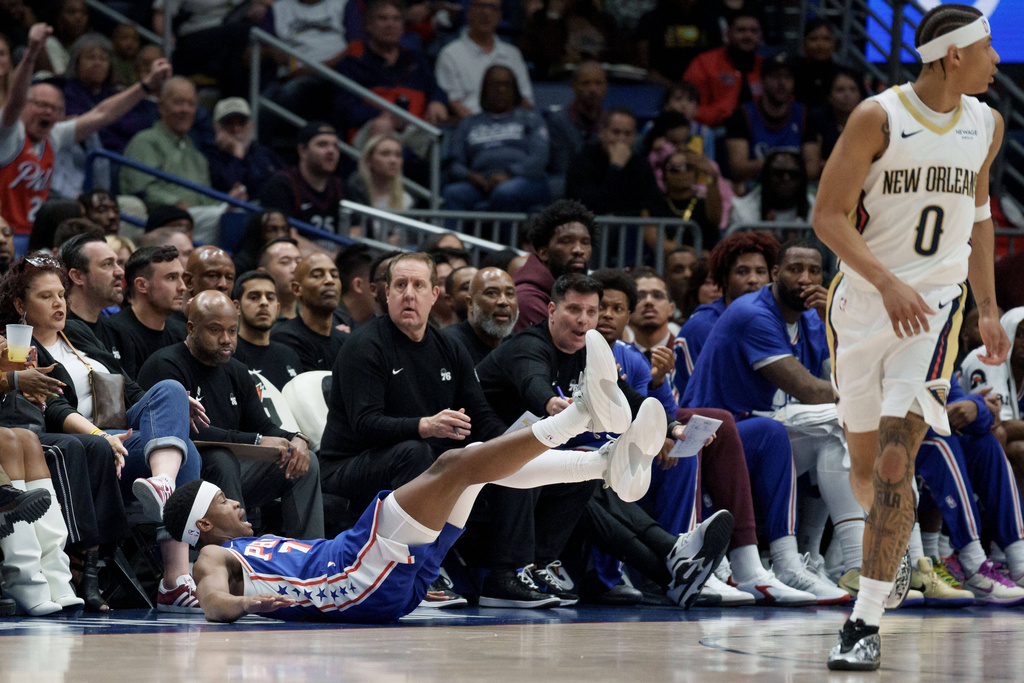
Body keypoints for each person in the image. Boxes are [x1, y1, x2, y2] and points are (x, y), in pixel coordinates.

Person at [163, 332, 730, 623]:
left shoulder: (244, 544)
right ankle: (581, 418)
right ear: (203, 524)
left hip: (375, 581)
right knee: (455, 464)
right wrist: (262, 603)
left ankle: (602, 464)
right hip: (357, 577)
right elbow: (214, 601)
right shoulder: (214, 556)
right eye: (224, 503)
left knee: (476, 469)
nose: (238, 507)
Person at [811, 4, 1006, 670]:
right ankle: (888, 550)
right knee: (866, 468)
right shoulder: (878, 116)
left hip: (933, 313)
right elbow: (827, 216)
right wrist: (886, 282)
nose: (997, 60)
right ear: (955, 55)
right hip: (864, 308)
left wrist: (985, 308)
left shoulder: (988, 123)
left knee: (896, 462)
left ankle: (862, 621)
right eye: (987, 48)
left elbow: (979, 219)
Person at [0, 254, 208, 613]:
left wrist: (169, 407)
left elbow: (129, 388)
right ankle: (174, 576)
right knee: (186, 448)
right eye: (45, 296)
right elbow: (53, 406)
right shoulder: (17, 346)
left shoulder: (78, 333)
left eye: (61, 295)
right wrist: (101, 434)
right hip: (89, 433)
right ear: (20, 304)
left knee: (171, 390)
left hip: (122, 430)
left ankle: (162, 482)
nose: (58, 303)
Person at [138, 290, 323, 542]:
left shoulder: (236, 371)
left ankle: (308, 554)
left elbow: (262, 425)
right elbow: (188, 432)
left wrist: (296, 438)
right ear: (191, 328)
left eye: (232, 331)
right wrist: (255, 441)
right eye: (215, 330)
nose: (226, 339)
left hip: (233, 471)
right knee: (220, 458)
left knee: (304, 460)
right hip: (184, 473)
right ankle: (235, 557)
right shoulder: (166, 365)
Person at [0, 23, 171, 237]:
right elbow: (15, 100)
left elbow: (102, 114)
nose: (48, 112)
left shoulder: (53, 135)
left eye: (55, 109)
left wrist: (145, 86)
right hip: (6, 238)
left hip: (36, 237)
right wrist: (32, 53)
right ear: (25, 106)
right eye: (41, 105)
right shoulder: (8, 133)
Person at [121, 77, 245, 244]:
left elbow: (204, 199)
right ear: (161, 106)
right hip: (162, 221)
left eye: (191, 104)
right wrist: (175, 204)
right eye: (178, 102)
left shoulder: (196, 154)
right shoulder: (145, 141)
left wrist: (229, 200)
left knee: (240, 214)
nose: (185, 109)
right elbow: (140, 188)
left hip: (197, 221)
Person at [673, 231, 776, 397]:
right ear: (725, 279)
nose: (753, 279)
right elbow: (704, 399)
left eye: (760, 271)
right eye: (742, 272)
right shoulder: (701, 327)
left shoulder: (777, 322)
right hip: (704, 418)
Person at [441, 65, 550, 213]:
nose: (501, 90)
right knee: (452, 193)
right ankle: (450, 237)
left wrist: (509, 174)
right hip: (481, 183)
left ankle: (503, 237)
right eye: (494, 85)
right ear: (484, 90)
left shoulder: (531, 118)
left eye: (506, 85)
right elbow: (454, 162)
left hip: (525, 180)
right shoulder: (468, 123)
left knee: (505, 192)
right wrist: (470, 176)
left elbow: (539, 158)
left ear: (515, 90)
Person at [724, 57, 821, 183]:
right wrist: (782, 166)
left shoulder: (804, 114)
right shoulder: (742, 115)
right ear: (762, 80)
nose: (782, 83)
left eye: (787, 77)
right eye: (775, 77)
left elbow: (813, 168)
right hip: (756, 187)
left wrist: (771, 167)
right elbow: (738, 168)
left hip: (795, 188)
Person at [435, 0, 533, 120]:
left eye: (493, 7)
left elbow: (525, 99)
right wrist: (478, 128)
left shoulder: (512, 54)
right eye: (481, 6)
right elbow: (454, 103)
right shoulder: (450, 53)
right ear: (469, 11)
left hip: (512, 127)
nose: (486, 12)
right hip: (470, 127)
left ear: (500, 15)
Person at [100, 245, 188, 380]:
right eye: (171, 278)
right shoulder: (112, 333)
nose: (182, 287)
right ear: (141, 285)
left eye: (182, 277)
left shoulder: (182, 332)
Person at [565, 108, 663, 218]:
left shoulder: (641, 164)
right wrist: (616, 168)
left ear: (635, 136)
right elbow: (588, 205)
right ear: (602, 133)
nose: (621, 139)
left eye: (627, 133)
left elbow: (653, 204)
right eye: (616, 132)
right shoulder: (583, 161)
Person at [513, 199, 594, 330]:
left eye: (585, 242)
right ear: (544, 253)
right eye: (567, 241)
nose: (578, 250)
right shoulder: (527, 300)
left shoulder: (583, 292)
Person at [259, 122, 345, 237]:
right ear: (302, 150)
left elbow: (356, 231)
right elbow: (284, 236)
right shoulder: (282, 185)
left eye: (336, 146)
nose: (331, 151)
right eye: (322, 144)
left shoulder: (341, 187)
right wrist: (330, 255)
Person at [681, 12, 763, 128]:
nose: (748, 36)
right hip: (714, 132)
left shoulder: (767, 67)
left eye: (753, 31)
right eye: (741, 30)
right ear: (727, 33)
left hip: (761, 134)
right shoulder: (704, 63)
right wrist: (726, 114)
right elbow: (691, 109)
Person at [270, 253, 348, 372]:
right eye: (317, 275)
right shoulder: (285, 339)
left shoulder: (348, 342)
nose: (329, 281)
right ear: (296, 289)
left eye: (334, 275)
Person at [232, 271, 303, 391]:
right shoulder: (229, 353)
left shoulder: (289, 355)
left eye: (270, 298)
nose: (264, 303)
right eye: (254, 297)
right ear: (237, 307)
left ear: (278, 308)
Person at [202, 97, 282, 198]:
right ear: (216, 127)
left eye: (241, 122)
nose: (236, 129)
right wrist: (237, 154)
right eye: (229, 123)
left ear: (251, 125)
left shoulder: (265, 154)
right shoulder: (209, 158)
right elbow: (232, 187)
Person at [442, 266, 518, 366]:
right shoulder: (447, 344)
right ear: (470, 303)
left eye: (509, 294)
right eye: (491, 293)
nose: (503, 301)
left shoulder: (521, 346)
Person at [636, 0, 720, 88]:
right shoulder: (652, 18)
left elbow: (717, 56)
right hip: (660, 83)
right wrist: (672, 87)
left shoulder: (710, 19)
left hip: (702, 84)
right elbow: (645, 62)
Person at [59, 232, 123, 335]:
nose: (120, 271)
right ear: (78, 276)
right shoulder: (56, 331)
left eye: (118, 263)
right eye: (107, 264)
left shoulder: (115, 332)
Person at [811, 68, 867, 163]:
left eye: (853, 89)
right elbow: (812, 168)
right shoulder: (817, 120)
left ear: (860, 95)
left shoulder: (870, 123)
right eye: (840, 90)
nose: (847, 95)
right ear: (829, 96)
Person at [231, 210, 292, 277]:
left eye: (284, 229)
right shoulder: (240, 265)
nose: (280, 235)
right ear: (258, 232)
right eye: (272, 229)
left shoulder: (294, 263)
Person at [332, 245, 377, 332]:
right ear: (358, 285)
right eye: (378, 281)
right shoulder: (325, 323)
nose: (387, 289)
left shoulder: (379, 323)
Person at [259, 238, 303, 321]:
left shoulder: (314, 317)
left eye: (299, 262)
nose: (295, 268)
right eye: (285, 262)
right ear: (264, 274)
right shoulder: (250, 322)